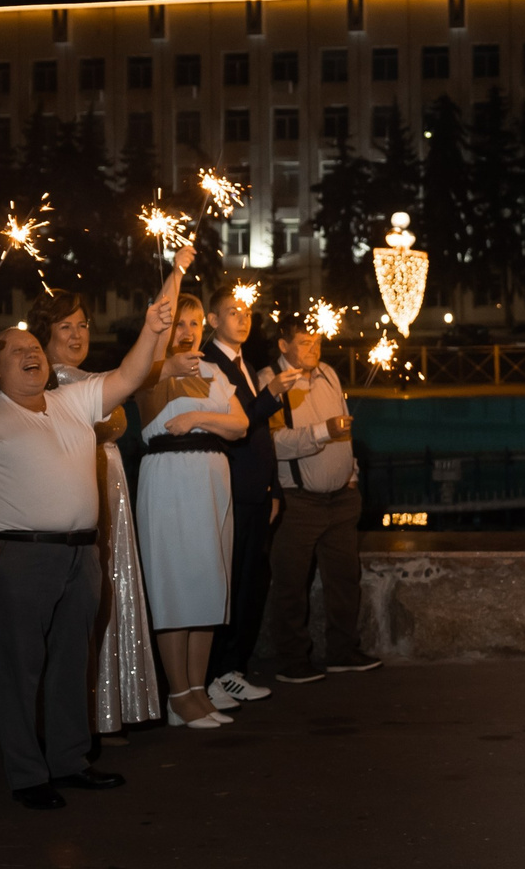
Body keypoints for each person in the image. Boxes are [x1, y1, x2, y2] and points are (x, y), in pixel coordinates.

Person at [0, 278, 178, 809]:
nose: (29, 354)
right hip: (20, 556)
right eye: (15, 350)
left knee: (75, 663)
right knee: (20, 672)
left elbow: (133, 374)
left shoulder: (73, 401)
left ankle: (70, 761)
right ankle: (27, 774)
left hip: (81, 555)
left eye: (32, 348)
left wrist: (152, 330)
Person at [31, 284, 165, 733]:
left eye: (82, 324)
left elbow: (135, 371)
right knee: (90, 598)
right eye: (64, 326)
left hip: (111, 487)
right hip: (81, 492)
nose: (76, 334)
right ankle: (87, 717)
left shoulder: (87, 379)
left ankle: (107, 710)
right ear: (44, 334)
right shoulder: (52, 386)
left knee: (112, 587)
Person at [134, 293, 250, 728]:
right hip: (170, 477)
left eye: (196, 324)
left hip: (212, 479)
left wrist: (198, 417)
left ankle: (199, 692)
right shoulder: (149, 371)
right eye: (180, 324)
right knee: (174, 585)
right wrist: (209, 418)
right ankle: (178, 695)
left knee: (207, 583)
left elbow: (240, 426)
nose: (189, 332)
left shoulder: (214, 371)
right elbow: (151, 412)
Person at [258, 315, 370, 681]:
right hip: (298, 501)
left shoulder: (329, 374)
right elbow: (272, 443)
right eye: (304, 342)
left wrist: (351, 475)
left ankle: (343, 651)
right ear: (283, 344)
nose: (313, 348)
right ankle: (291, 661)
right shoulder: (268, 381)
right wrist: (323, 431)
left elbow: (344, 429)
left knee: (344, 580)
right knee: (291, 583)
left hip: (341, 500)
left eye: (317, 341)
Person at [200, 285, 280, 710]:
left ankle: (232, 670)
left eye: (247, 311)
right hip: (230, 490)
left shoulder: (243, 362)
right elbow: (239, 425)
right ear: (213, 320)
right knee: (228, 584)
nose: (243, 318)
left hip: (256, 492)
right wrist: (273, 394)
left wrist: (275, 488)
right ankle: (214, 673)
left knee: (251, 583)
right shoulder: (207, 364)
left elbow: (265, 437)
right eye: (233, 312)